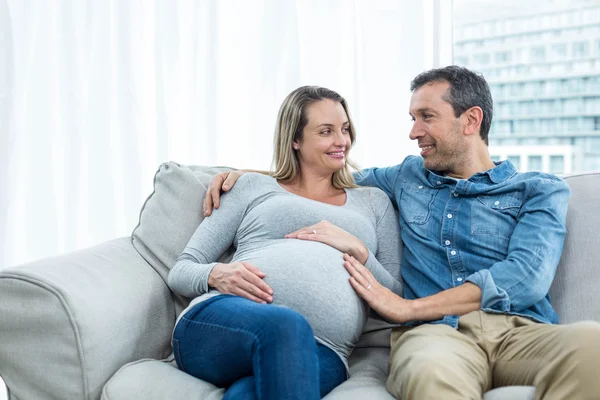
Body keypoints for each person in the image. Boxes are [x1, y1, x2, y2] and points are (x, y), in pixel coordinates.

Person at [204, 66, 600, 399]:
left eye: (427, 117)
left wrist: (407, 307)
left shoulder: (538, 189)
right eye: (413, 118)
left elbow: (525, 278)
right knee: (430, 372)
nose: (413, 132)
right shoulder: (405, 178)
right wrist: (246, 176)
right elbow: (319, 176)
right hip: (437, 337)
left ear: (471, 120)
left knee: (592, 345)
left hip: (522, 332)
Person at [168, 86, 402, 400]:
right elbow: (181, 270)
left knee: (247, 396)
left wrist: (359, 252)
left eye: (345, 129)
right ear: (295, 139)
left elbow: (396, 300)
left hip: (324, 350)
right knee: (286, 327)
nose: (341, 141)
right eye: (326, 131)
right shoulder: (251, 186)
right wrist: (216, 275)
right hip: (222, 323)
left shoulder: (374, 202)